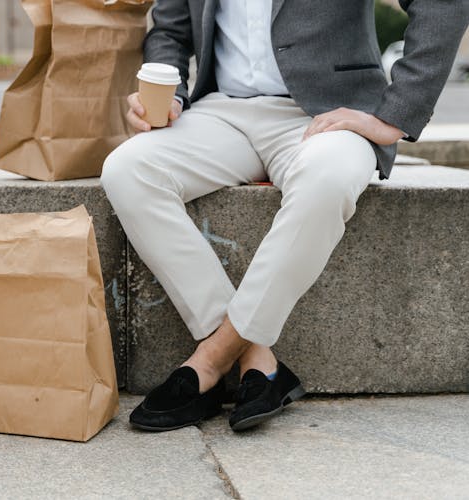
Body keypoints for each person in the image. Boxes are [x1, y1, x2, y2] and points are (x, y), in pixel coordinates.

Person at [101, 0, 469, 432]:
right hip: (220, 110)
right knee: (127, 169)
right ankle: (254, 355)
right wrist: (166, 94)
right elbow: (170, 30)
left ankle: (213, 357)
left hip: (326, 112)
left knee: (328, 179)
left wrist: (394, 115)